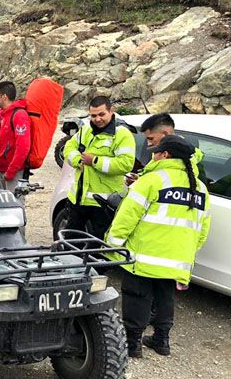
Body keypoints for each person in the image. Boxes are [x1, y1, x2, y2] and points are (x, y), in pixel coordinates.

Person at [105, 135, 211, 357]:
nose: (153, 154)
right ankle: (162, 340)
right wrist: (187, 252)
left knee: (137, 296)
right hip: (175, 259)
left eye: (156, 151)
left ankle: (133, 343)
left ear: (165, 155)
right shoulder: (199, 187)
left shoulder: (152, 180)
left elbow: (126, 217)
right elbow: (202, 228)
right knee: (165, 298)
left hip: (144, 255)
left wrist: (113, 245)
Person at [62, 95, 135, 239]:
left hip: (104, 204)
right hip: (78, 200)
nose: (97, 119)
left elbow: (126, 164)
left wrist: (94, 161)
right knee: (69, 244)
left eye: (101, 114)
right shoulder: (85, 130)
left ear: (111, 111)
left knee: (98, 250)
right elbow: (68, 148)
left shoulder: (122, 135)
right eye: (93, 115)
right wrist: (78, 160)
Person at [0, 81, 32, 197]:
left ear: (4, 97)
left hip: (14, 172)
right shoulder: (3, 115)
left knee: (14, 206)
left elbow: (23, 147)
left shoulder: (19, 115)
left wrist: (11, 170)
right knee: (4, 207)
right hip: (3, 170)